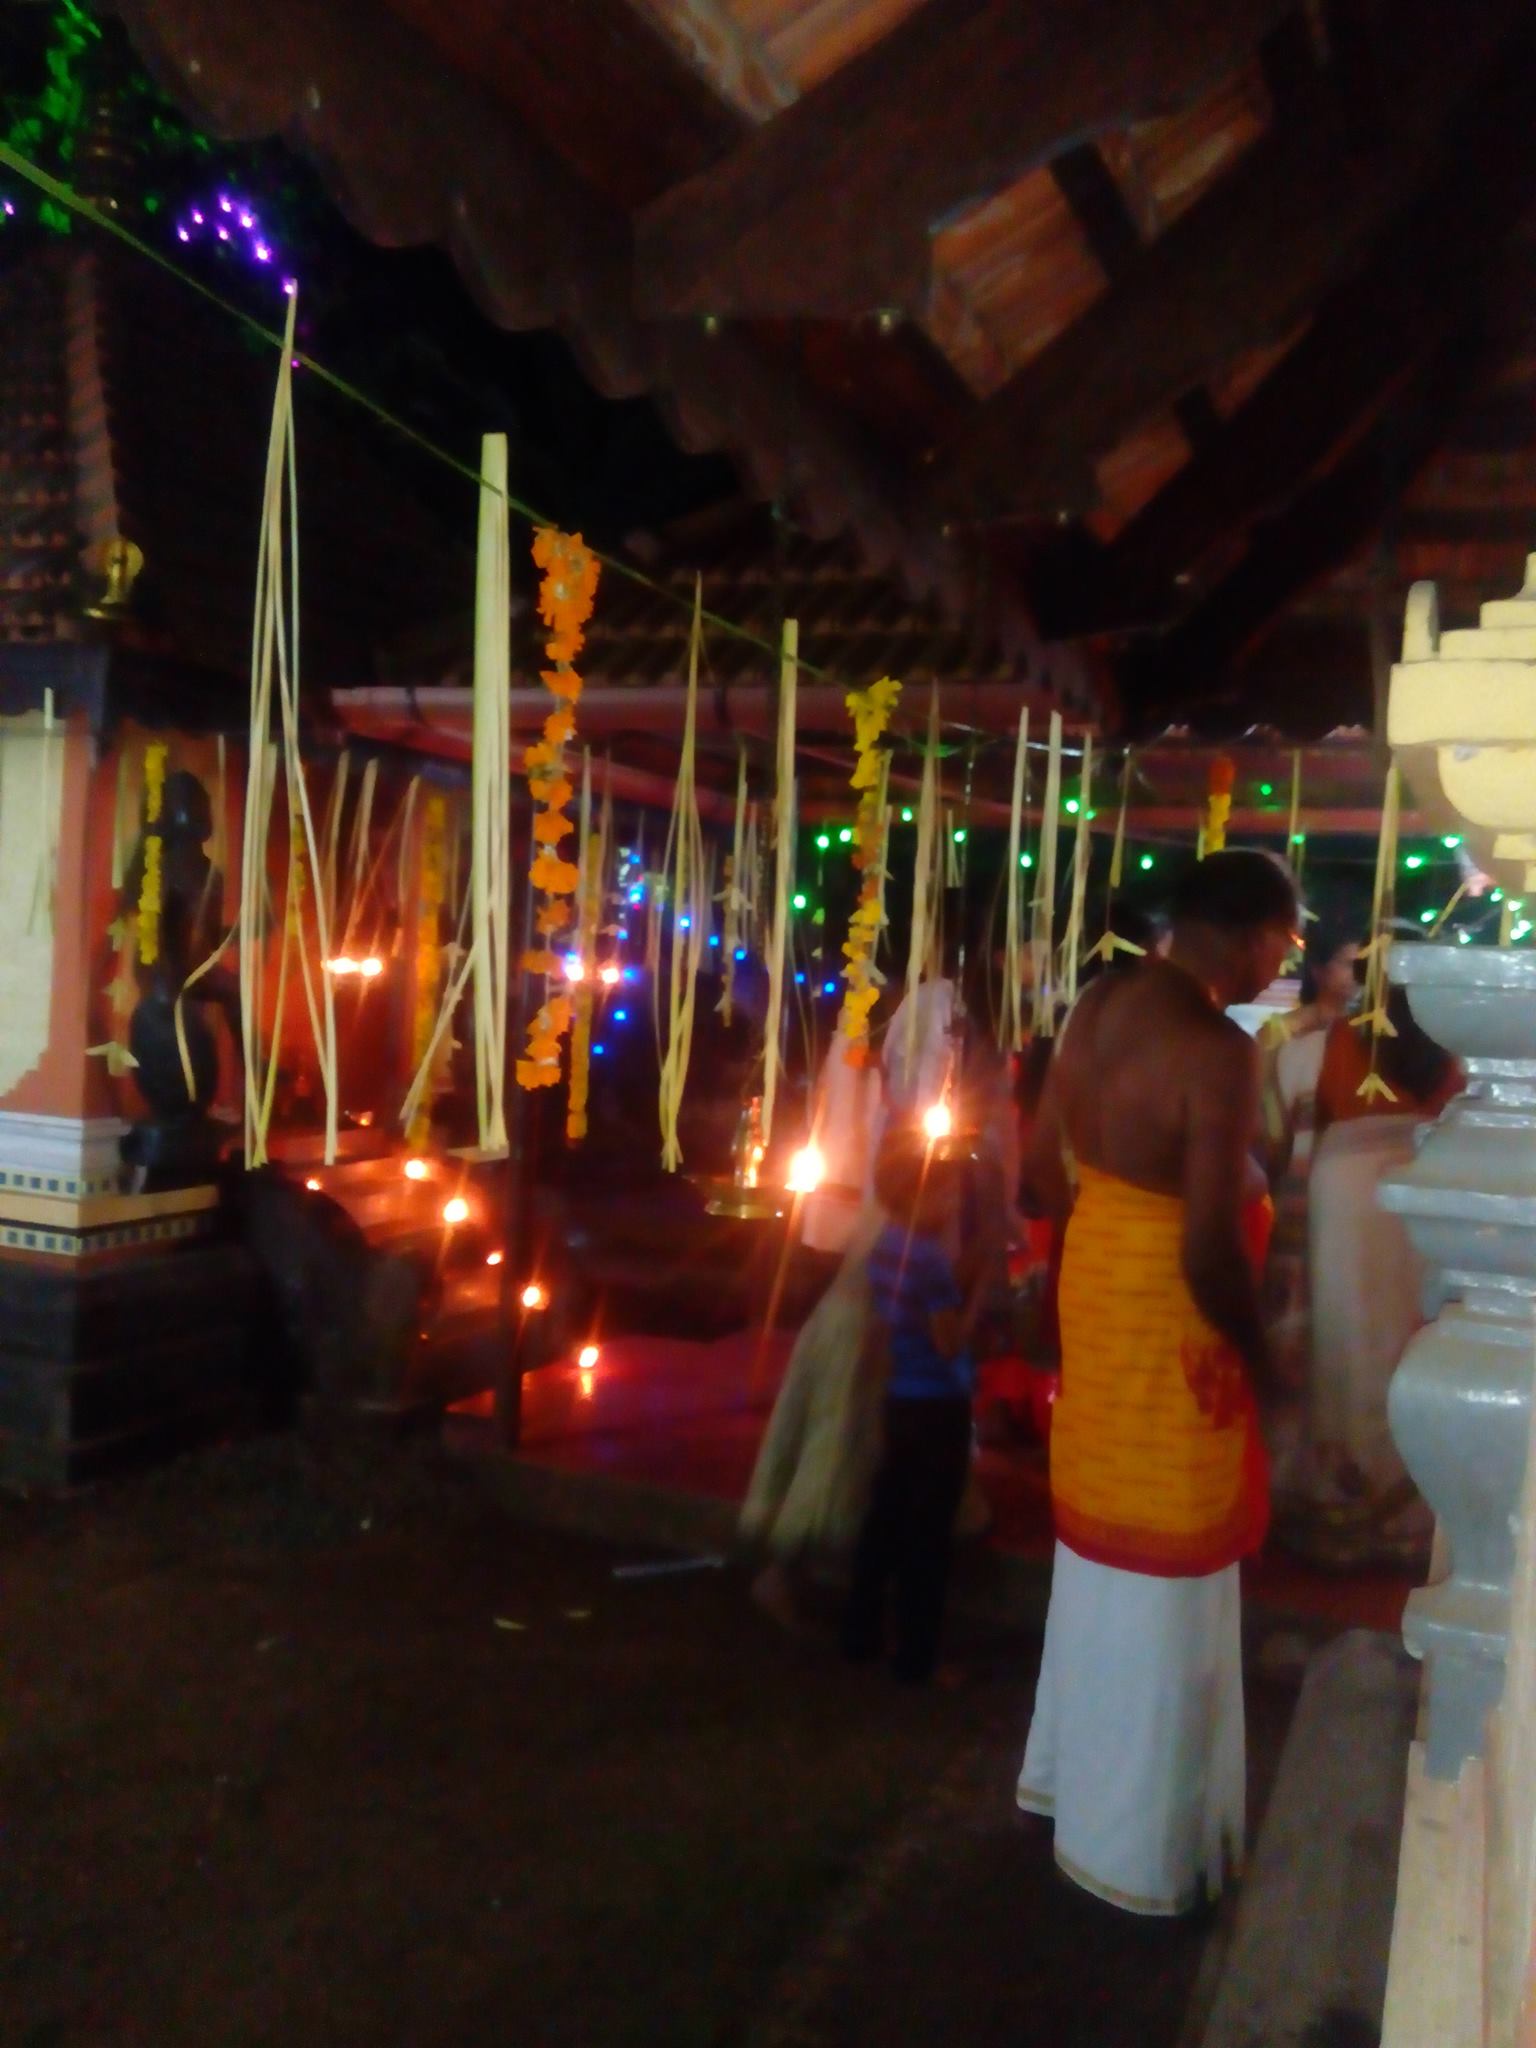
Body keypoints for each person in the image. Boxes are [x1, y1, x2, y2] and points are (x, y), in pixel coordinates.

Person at [1015, 848, 1300, 1916]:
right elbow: (1210, 1254)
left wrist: (1102, 1235)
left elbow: (1043, 1170)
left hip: (1099, 1284)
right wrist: (1264, 1362)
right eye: (1290, 934)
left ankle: (1065, 1781)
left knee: (1100, 1549)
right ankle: (1141, 1849)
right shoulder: (1217, 1051)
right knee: (1169, 1574)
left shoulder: (1099, 1002)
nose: (1290, 955)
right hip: (1174, 1317)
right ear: (1252, 934)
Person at [1281, 981, 1461, 1565]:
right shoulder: (1445, 1051)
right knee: (1405, 1348)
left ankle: (1340, 1517)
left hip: (1343, 1205)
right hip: (1418, 1203)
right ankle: (1405, 1519)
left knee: (1345, 1346)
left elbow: (1276, 1123)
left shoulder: (1325, 1045)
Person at [842, 1134, 982, 1684]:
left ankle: (861, 1631)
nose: (950, 1205)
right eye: (943, 1194)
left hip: (901, 1395)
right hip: (938, 1403)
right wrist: (979, 1299)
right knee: (928, 1534)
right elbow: (948, 1341)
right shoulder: (928, 1259)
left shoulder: (885, 1245)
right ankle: (917, 1657)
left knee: (885, 1521)